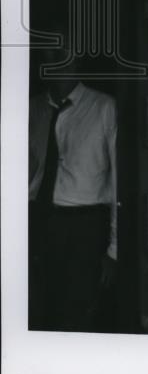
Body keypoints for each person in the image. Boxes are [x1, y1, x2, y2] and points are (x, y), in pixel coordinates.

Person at [28, 30, 117, 331]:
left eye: (63, 51)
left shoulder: (104, 108)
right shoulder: (34, 109)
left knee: (75, 315)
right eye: (49, 52)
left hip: (85, 227)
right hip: (39, 221)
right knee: (37, 311)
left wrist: (114, 249)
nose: (55, 59)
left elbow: (119, 180)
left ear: (77, 59)